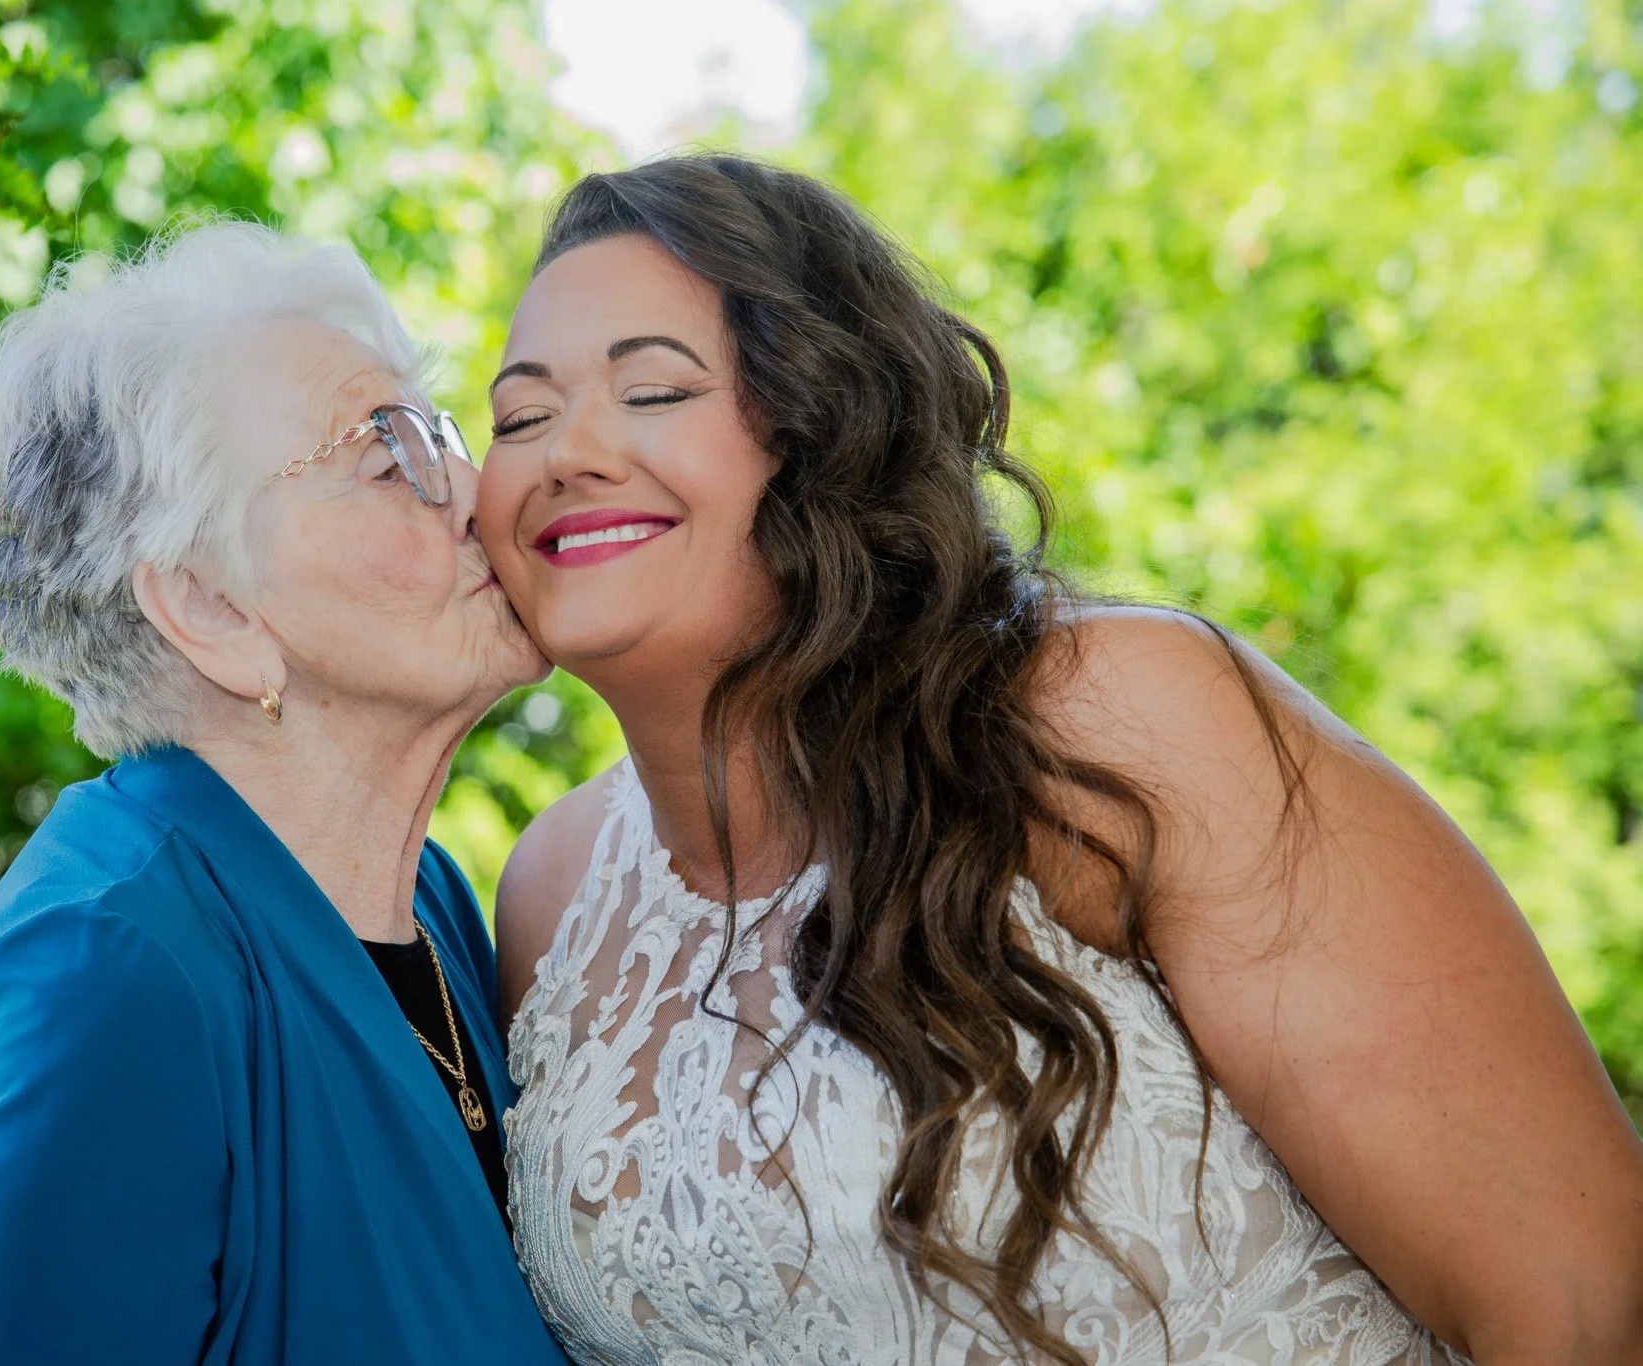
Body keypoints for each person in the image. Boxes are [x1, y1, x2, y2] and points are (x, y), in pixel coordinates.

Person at [480, 155, 1643, 1365]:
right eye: (519, 415)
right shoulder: (549, 895)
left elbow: (1575, 1297)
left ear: (819, 427)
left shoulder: (1107, 719)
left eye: (653, 391)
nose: (568, 450)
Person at [0, 222, 566, 1365]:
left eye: (443, 432)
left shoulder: (427, 898)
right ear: (210, 608)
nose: (478, 491)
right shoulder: (113, 970)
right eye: (388, 453)